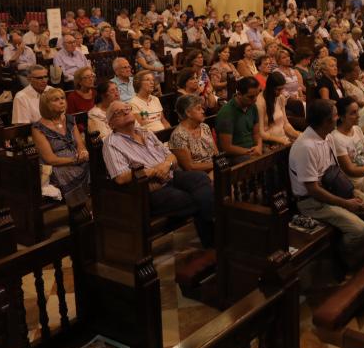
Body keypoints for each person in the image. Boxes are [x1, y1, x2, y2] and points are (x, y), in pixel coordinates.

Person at [103, 101, 214, 248]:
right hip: (150, 189)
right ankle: (214, 241)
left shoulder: (145, 132)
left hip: (170, 174)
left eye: (127, 109)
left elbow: (171, 156)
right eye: (118, 112)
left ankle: (213, 238)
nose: (125, 112)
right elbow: (120, 177)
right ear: (111, 124)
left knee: (201, 178)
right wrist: (153, 171)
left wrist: (166, 165)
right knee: (195, 198)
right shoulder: (112, 143)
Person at [289, 99, 364, 269]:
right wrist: (345, 203)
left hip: (331, 190)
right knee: (360, 230)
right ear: (325, 121)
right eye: (335, 115)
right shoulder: (305, 147)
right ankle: (342, 263)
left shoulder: (328, 136)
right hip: (312, 203)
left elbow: (333, 172)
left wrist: (351, 192)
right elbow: (313, 189)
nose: (338, 118)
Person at [31, 89, 90, 200]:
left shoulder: (70, 119)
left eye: (62, 98)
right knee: (70, 172)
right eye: (56, 100)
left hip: (76, 159)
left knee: (95, 163)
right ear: (46, 105)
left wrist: (83, 152)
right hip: (57, 166)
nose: (62, 102)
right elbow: (50, 159)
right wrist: (74, 160)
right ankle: (78, 205)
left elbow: (80, 144)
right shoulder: (38, 128)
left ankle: (93, 204)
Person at [215, 76, 262, 160]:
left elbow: (257, 133)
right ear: (239, 94)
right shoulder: (226, 112)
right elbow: (227, 148)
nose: (255, 100)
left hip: (252, 150)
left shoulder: (252, 106)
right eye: (251, 97)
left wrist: (258, 147)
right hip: (236, 155)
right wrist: (250, 152)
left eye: (256, 95)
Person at [169, 95, 218, 173]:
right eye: (198, 109)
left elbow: (216, 153)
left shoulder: (204, 127)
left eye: (202, 108)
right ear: (188, 113)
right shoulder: (178, 135)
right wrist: (216, 165)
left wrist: (220, 164)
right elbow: (190, 167)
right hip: (198, 175)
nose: (203, 111)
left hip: (215, 168)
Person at [255, 71, 300, 146]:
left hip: (283, 138)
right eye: (278, 89)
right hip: (270, 143)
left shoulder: (280, 98)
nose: (280, 92)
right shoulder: (260, 102)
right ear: (270, 87)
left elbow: (286, 124)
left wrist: (298, 135)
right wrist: (282, 141)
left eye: (282, 89)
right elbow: (261, 133)